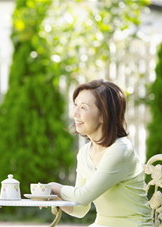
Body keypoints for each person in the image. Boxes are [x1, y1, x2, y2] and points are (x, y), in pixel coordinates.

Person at [49, 79, 153, 226]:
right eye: (76, 105)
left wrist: (54, 187)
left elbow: (83, 196)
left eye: (83, 108)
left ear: (104, 115)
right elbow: (80, 208)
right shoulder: (85, 153)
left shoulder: (121, 150)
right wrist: (51, 197)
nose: (75, 113)